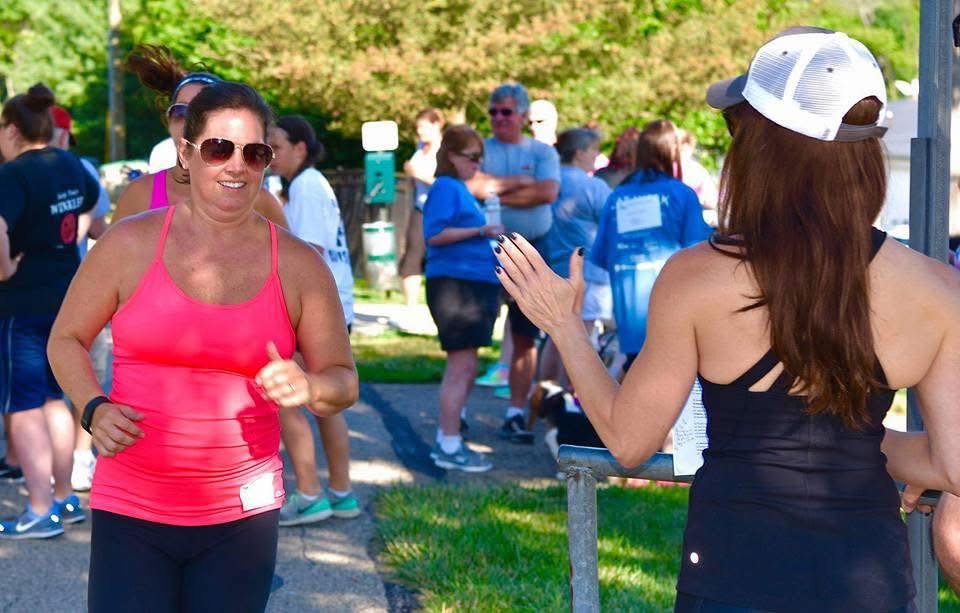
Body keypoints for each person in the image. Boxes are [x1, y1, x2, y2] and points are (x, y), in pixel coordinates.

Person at [495, 27, 959, 611]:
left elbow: (629, 440)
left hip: (731, 574)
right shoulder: (938, 290)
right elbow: (951, 463)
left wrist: (563, 324)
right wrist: (857, 444)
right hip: (870, 579)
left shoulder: (697, 277)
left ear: (760, 147)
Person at [47, 81, 358, 610]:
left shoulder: (299, 264)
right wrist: (93, 409)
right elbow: (66, 339)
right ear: (187, 153)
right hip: (132, 506)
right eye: (219, 149)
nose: (236, 166)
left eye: (255, 153)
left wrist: (308, 385)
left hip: (242, 513)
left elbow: (342, 381)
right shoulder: (130, 243)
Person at [0, 84, 101, 539]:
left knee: (21, 406)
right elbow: (92, 209)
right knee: (52, 399)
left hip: (20, 304)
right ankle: (62, 498)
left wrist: (6, 269)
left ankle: (39, 508)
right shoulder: (69, 162)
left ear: (14, 129)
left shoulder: (13, 174)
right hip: (65, 298)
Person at [267, 115, 360, 525]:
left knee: (286, 394)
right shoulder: (309, 184)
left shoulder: (305, 186)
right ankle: (341, 493)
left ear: (300, 149)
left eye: (277, 147)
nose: (270, 156)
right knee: (326, 403)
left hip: (316, 309)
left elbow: (309, 253)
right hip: (335, 304)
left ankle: (309, 493)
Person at [466, 82, 560, 443]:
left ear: (522, 115)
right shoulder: (481, 148)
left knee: (525, 336)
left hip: (533, 248)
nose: (499, 119)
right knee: (473, 336)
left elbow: (547, 193)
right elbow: (471, 187)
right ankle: (457, 414)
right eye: (493, 112)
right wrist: (519, 182)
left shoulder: (542, 152)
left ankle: (516, 413)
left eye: (506, 112)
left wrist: (495, 190)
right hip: (484, 251)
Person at [113, 44, 287, 228]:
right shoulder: (140, 195)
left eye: (201, 114)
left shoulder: (259, 201)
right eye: (181, 112)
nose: (189, 123)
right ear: (168, 121)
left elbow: (290, 254)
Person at [591, 119, 711, 375]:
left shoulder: (618, 196)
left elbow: (600, 255)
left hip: (628, 314)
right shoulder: (682, 194)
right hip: (672, 312)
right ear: (673, 151)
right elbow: (699, 250)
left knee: (637, 376)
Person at [424, 125, 503, 472]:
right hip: (456, 285)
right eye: (471, 157)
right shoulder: (446, 186)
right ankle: (448, 443)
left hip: (470, 284)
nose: (477, 164)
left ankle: (453, 433)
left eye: (480, 159)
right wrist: (480, 230)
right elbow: (435, 234)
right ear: (452, 156)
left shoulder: (460, 190)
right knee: (461, 366)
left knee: (467, 365)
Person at [50, 103, 112, 492]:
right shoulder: (82, 170)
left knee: (63, 379)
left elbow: (101, 229)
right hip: (74, 286)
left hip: (63, 288)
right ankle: (75, 460)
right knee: (83, 372)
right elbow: (101, 230)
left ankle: (70, 460)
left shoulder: (15, 171)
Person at [539, 127, 612, 388]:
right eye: (594, 150)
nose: (597, 155)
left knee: (556, 335)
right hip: (589, 271)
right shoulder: (593, 186)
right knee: (581, 340)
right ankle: (571, 400)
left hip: (553, 267)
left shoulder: (548, 183)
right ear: (579, 153)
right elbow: (614, 224)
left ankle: (546, 396)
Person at [398, 108, 444, 311]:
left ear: (436, 125)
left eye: (424, 127)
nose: (420, 132)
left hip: (440, 209)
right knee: (412, 253)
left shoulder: (444, 150)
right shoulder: (419, 147)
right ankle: (410, 306)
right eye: (418, 128)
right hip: (420, 207)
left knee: (439, 255)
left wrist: (418, 173)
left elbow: (444, 184)